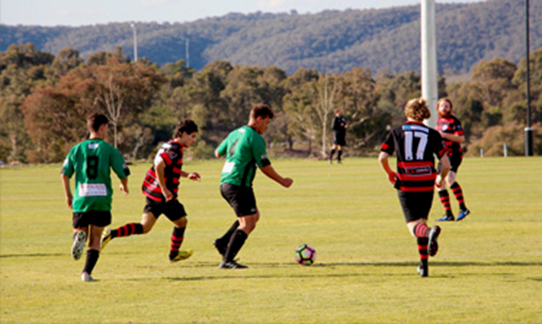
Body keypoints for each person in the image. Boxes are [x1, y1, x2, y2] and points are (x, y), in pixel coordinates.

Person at [100, 120, 200, 263]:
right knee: (182, 222)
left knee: (145, 227)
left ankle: (111, 233)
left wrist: (186, 174)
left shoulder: (167, 145)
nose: (194, 140)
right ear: (184, 134)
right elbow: (159, 166)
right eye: (193, 136)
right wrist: (165, 189)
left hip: (153, 192)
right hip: (164, 196)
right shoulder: (176, 149)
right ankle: (174, 254)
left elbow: (168, 168)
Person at [213, 104, 294, 269]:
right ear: (259, 119)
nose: (266, 127)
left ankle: (223, 242)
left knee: (253, 216)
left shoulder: (235, 133)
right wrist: (282, 181)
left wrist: (236, 156)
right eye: (266, 122)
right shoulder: (255, 138)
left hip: (226, 182)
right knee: (247, 223)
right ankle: (227, 260)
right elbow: (264, 166)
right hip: (239, 184)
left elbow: (217, 152)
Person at [378, 98, 450, 277]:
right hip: (426, 182)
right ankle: (424, 266)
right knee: (421, 221)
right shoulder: (433, 134)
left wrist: (389, 173)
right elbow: (446, 163)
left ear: (407, 112)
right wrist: (440, 178)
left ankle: (431, 232)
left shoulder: (396, 131)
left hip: (406, 182)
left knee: (414, 226)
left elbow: (382, 158)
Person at [61, 113, 130, 282]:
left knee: (80, 230)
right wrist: (124, 184)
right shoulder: (108, 149)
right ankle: (86, 273)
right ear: (103, 128)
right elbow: (123, 171)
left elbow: (64, 174)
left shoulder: (77, 149)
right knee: (96, 238)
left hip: (82, 197)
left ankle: (78, 236)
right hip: (101, 198)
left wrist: (68, 195)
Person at [435, 98, 470, 222]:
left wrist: (445, 135)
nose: (444, 108)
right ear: (438, 108)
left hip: (454, 154)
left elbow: (460, 138)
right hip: (443, 156)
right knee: (439, 183)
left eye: (447, 106)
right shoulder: (438, 121)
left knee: (449, 179)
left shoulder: (454, 121)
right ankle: (448, 213)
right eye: (442, 106)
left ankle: (463, 208)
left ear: (451, 108)